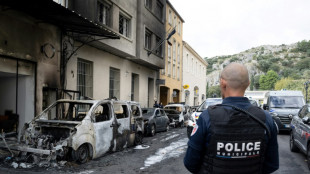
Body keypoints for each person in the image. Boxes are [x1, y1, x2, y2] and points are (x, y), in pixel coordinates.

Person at [184, 63, 279, 174]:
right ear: (248, 84)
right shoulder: (266, 118)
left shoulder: (207, 117)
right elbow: (272, 165)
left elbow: (190, 163)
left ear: (223, 83)